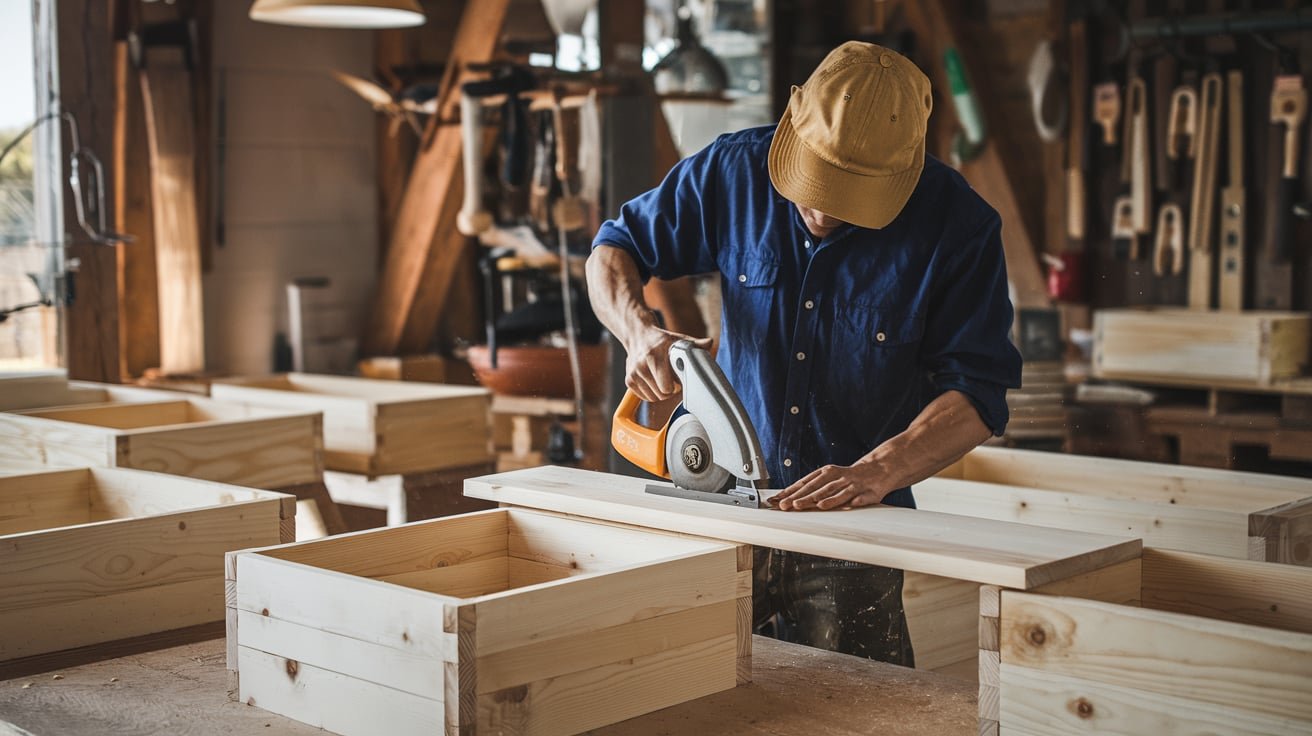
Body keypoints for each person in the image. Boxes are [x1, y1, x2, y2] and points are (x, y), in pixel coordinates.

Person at [585, 41, 1022, 665]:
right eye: (810, 183)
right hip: (721, 507)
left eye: (847, 197)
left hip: (856, 530)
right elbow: (614, 249)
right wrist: (637, 330)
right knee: (683, 696)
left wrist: (877, 471)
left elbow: (978, 393)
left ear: (901, 173)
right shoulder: (734, 170)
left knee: (859, 714)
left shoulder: (958, 228)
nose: (818, 210)